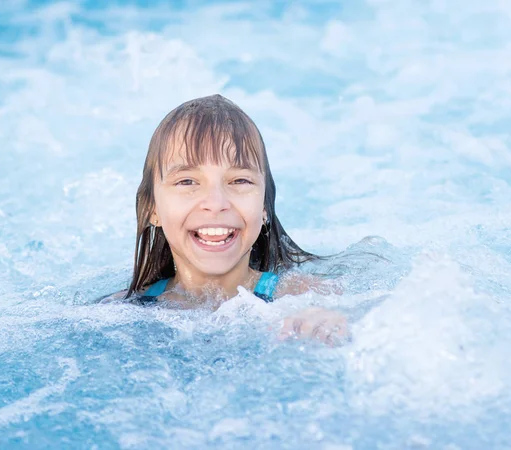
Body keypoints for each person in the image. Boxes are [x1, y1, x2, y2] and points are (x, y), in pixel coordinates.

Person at [102, 94, 347, 345]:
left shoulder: (304, 296)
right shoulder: (118, 313)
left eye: (240, 180)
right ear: (153, 209)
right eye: (187, 181)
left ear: (264, 207)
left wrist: (329, 324)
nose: (216, 203)